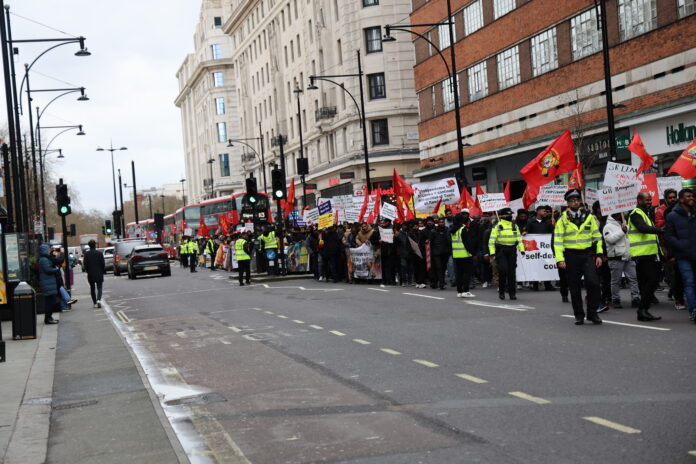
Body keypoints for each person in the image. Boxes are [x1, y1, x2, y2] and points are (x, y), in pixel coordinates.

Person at [554, 189, 603, 325]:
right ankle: (579, 315)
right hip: (570, 256)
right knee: (575, 288)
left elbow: (597, 237)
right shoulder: (562, 220)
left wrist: (599, 254)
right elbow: (558, 241)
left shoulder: (589, 217)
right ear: (568, 203)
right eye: (572, 200)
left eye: (577, 200)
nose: (575, 202)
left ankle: (592, 313)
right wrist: (560, 259)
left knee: (593, 283)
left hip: (587, 255)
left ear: (580, 201)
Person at [627, 192, 663, 322]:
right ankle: (642, 310)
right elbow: (642, 228)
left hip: (649, 253)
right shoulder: (636, 213)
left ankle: (643, 311)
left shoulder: (646, 213)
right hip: (642, 254)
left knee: (648, 282)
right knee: (652, 280)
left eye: (650, 200)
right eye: (647, 200)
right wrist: (660, 230)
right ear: (639, 200)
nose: (649, 202)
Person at [665, 188, 696, 323]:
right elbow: (669, 236)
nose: (692, 198)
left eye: (693, 196)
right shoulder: (672, 216)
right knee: (689, 283)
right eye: (688, 196)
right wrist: (681, 245)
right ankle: (693, 310)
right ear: (681, 199)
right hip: (683, 256)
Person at [603, 212, 640, 309]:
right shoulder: (608, 226)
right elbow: (610, 239)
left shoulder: (625, 224)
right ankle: (616, 299)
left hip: (628, 256)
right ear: (615, 214)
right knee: (616, 281)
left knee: (633, 279)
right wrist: (622, 231)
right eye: (620, 213)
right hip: (616, 258)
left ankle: (635, 298)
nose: (622, 214)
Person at [487, 207, 524, 300]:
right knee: (503, 271)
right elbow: (491, 241)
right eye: (509, 215)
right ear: (503, 216)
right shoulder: (498, 226)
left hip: (512, 251)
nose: (511, 216)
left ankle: (512, 293)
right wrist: (492, 253)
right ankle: (502, 291)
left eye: (511, 215)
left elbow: (519, 239)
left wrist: (522, 249)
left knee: (512, 273)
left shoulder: (514, 226)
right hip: (501, 251)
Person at [526, 205, 555, 291]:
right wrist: (525, 233)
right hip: (535, 248)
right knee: (535, 266)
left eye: (546, 211)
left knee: (546, 265)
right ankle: (535, 284)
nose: (545, 213)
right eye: (543, 211)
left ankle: (548, 284)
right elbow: (527, 231)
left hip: (545, 248)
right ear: (538, 211)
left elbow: (553, 233)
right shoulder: (531, 222)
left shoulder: (548, 222)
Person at [451, 213, 475, 298]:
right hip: (465, 254)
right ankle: (466, 291)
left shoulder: (453, 230)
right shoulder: (462, 229)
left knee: (459, 274)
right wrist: (472, 253)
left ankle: (459, 291)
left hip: (456, 255)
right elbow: (467, 243)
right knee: (466, 274)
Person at [38, 244, 60, 324]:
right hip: (47, 283)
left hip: (49, 283)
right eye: (48, 250)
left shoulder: (45, 258)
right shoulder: (44, 260)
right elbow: (48, 270)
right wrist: (56, 269)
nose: (49, 251)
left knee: (50, 302)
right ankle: (48, 319)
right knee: (49, 303)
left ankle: (49, 317)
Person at [429, 217, 451, 290]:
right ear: (437, 223)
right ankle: (441, 283)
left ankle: (440, 281)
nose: (441, 223)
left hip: (445, 252)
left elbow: (449, 241)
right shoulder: (433, 231)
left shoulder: (447, 230)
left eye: (442, 222)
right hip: (436, 253)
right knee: (438, 267)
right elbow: (430, 242)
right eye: (440, 222)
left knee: (443, 268)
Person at [83, 239, 106, 308]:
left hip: (90, 274)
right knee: (100, 287)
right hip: (99, 273)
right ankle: (98, 299)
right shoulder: (99, 253)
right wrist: (102, 270)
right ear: (95, 245)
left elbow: (85, 264)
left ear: (89, 246)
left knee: (92, 288)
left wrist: (88, 271)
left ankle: (95, 303)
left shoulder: (86, 254)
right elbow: (103, 263)